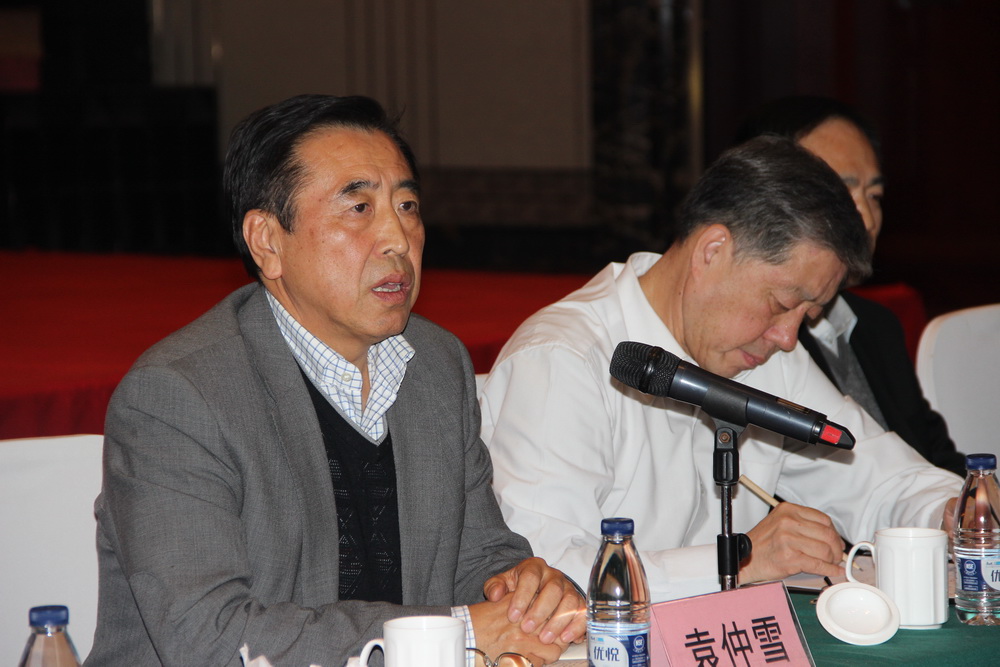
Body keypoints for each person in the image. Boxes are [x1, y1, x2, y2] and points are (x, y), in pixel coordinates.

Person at [86, 94, 584, 666]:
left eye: (408, 206)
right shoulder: (180, 396)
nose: (398, 238)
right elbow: (211, 639)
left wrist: (521, 589)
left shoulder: (434, 364)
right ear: (267, 242)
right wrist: (462, 630)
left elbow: (478, 555)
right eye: (359, 208)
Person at [479, 136, 963, 603]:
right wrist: (738, 561)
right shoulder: (563, 359)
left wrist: (953, 509)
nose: (788, 337)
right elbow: (550, 575)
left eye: (808, 316)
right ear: (712, 251)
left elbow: (875, 476)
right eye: (781, 303)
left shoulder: (767, 353)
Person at [735, 95, 966, 476]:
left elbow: (936, 459)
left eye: (874, 195)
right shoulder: (754, 337)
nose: (867, 220)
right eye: (840, 194)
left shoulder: (878, 326)